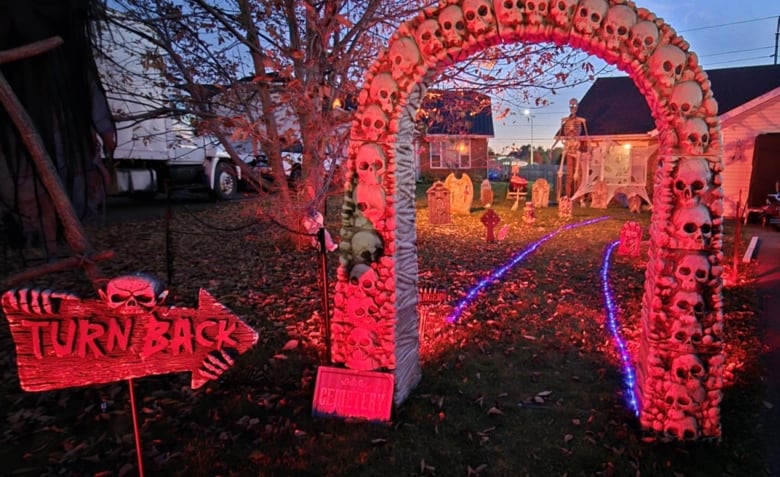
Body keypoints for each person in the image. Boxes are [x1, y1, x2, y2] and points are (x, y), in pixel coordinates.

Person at [551, 98, 588, 199]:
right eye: (571, 106)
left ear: (577, 106)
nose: (573, 108)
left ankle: (579, 197)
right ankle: (567, 196)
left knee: (579, 174)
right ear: (569, 106)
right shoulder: (565, 120)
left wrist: (588, 146)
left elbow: (586, 135)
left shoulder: (581, 120)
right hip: (568, 146)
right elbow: (559, 136)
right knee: (569, 175)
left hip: (576, 146)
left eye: (574, 106)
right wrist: (552, 147)